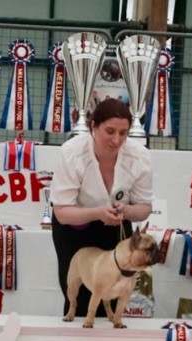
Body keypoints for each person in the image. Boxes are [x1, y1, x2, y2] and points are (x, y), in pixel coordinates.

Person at [51, 98, 154, 318]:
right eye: (109, 131)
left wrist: (126, 210)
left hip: (116, 226)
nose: (116, 140)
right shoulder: (71, 152)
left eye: (123, 133)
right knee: (78, 297)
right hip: (75, 228)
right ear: (93, 126)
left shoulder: (140, 156)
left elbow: (144, 208)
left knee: (114, 293)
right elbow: (62, 213)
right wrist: (97, 213)